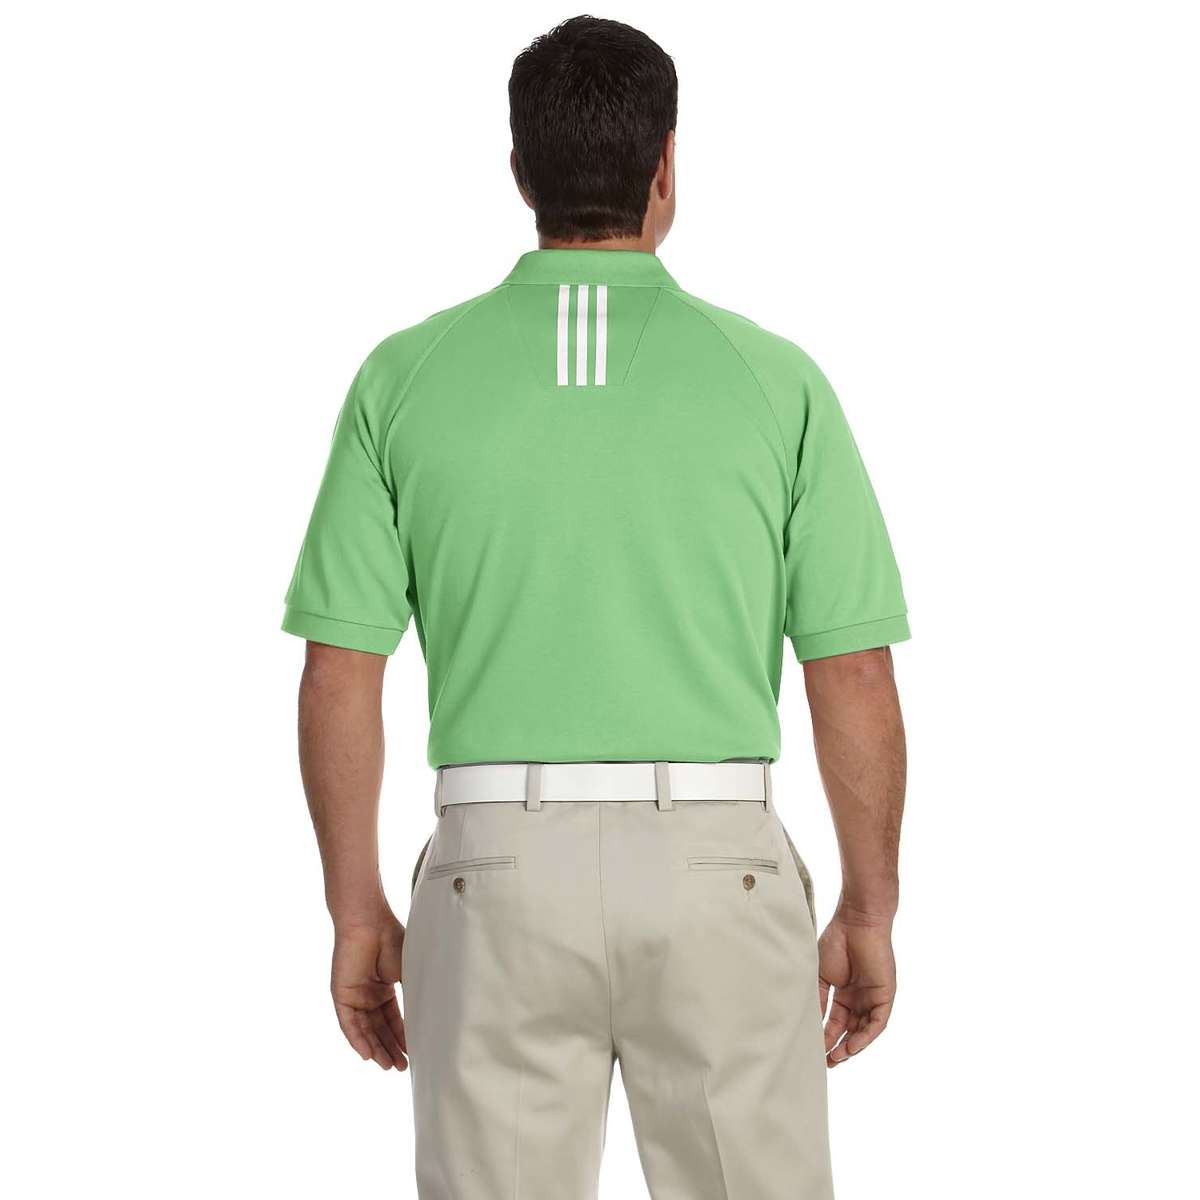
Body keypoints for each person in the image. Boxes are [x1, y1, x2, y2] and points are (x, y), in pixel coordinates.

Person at [284, 15, 908, 1199]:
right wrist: (869, 909)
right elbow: (855, 672)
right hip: (721, 869)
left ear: (519, 169)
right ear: (666, 165)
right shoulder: (775, 381)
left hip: (492, 869)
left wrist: (355, 909)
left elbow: (338, 670)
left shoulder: (403, 378)